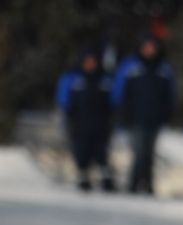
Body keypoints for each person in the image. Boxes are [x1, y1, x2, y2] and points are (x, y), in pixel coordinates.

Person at [113, 37, 175, 196]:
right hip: (136, 117)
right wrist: (122, 113)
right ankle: (134, 184)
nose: (150, 50)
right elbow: (120, 91)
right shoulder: (131, 66)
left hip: (155, 118)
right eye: (147, 47)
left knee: (149, 152)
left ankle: (147, 184)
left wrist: (167, 113)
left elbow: (170, 95)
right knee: (139, 152)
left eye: (152, 47)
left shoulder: (164, 68)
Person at [56, 51, 115, 192]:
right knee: (81, 149)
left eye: (93, 61)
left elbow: (113, 100)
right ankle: (82, 176)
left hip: (100, 121)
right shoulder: (73, 78)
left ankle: (106, 177)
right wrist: (68, 114)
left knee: (101, 150)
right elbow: (64, 99)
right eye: (87, 61)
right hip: (79, 121)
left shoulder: (104, 80)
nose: (90, 64)